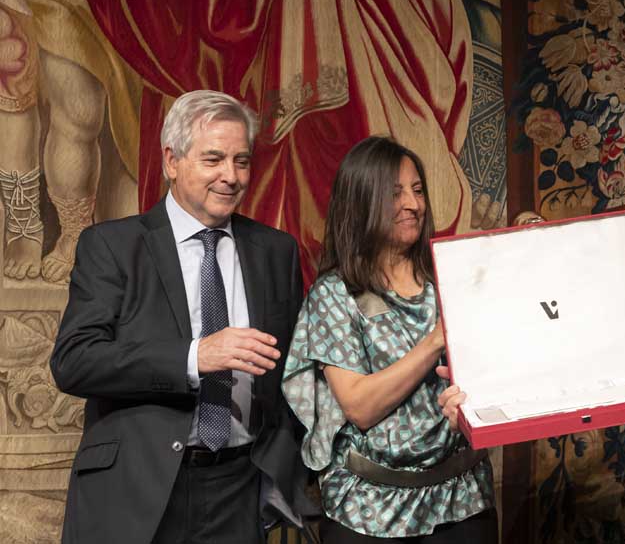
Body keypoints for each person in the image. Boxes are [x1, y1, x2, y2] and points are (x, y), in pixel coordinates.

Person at [50, 90, 307, 544]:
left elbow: (294, 373)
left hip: (239, 490)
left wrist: (281, 470)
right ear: (172, 161)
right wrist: (194, 357)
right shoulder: (111, 246)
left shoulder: (276, 251)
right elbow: (75, 360)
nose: (231, 176)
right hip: (134, 490)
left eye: (241, 161)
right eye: (213, 159)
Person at [281, 136, 497, 543]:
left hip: (463, 500)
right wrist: (436, 341)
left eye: (417, 191)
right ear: (361, 200)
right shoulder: (334, 295)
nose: (413, 204)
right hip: (368, 511)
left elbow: (494, 374)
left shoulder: (450, 278)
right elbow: (360, 405)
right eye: (395, 193)